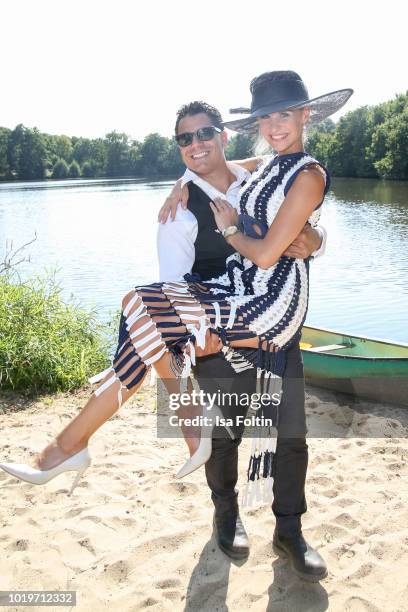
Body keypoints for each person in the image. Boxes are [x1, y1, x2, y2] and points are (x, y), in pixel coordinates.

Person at [0, 70, 352, 581]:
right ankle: (223, 512)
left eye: (205, 134)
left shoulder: (259, 172)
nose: (196, 144)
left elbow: (300, 211)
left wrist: (314, 237)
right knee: (222, 424)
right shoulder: (180, 210)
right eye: (184, 139)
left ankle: (289, 530)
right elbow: (170, 287)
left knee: (290, 433)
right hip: (211, 324)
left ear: (225, 136)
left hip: (270, 315)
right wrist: (193, 339)